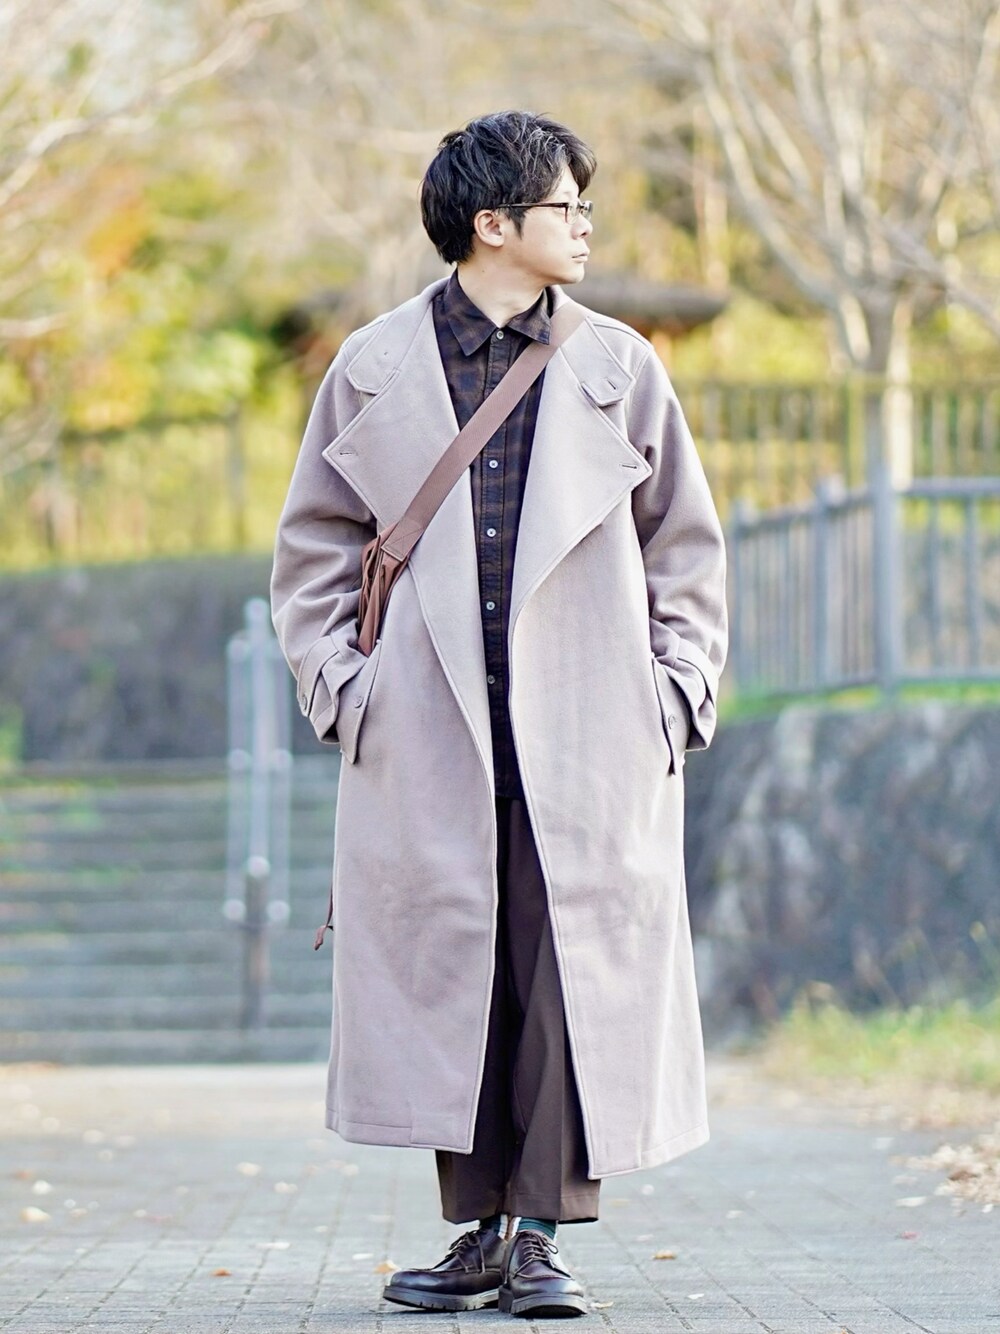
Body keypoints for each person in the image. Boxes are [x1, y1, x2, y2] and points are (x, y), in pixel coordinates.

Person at [270, 110, 728, 1319]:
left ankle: (536, 1232)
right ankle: (481, 1231)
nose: (584, 225)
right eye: (565, 205)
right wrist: (344, 688)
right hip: (428, 727)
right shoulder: (371, 364)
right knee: (456, 973)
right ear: (492, 222)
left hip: (591, 729)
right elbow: (313, 550)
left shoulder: (619, 365)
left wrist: (675, 690)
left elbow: (684, 549)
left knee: (567, 968)